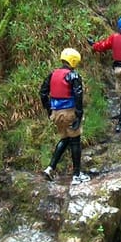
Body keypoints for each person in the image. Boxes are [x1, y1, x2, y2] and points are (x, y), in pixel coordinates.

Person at [39, 48, 89, 185]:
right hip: (69, 112)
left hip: (56, 113)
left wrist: (49, 110)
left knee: (65, 139)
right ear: (73, 61)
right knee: (75, 141)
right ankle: (77, 175)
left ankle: (50, 168)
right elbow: (78, 95)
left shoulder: (52, 74)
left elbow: (43, 93)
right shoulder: (73, 75)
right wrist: (79, 114)